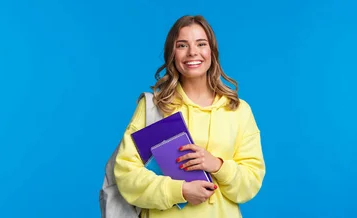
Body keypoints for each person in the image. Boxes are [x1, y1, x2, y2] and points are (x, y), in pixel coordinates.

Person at [113, 14, 266, 218]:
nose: (193, 52)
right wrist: (181, 191)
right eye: (182, 45)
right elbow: (127, 175)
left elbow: (250, 183)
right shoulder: (154, 107)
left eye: (201, 44)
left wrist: (217, 165)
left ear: (212, 51)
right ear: (172, 54)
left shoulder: (238, 110)